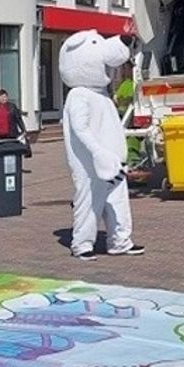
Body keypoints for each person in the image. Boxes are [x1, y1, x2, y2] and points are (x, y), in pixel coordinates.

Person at [59, 29, 144, 261]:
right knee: (89, 200)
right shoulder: (79, 95)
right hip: (91, 164)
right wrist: (97, 152)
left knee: (118, 201)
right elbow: (80, 128)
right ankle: (82, 243)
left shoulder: (103, 96)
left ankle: (120, 241)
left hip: (113, 163)